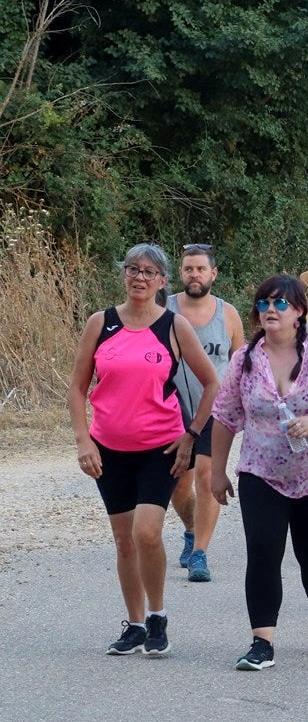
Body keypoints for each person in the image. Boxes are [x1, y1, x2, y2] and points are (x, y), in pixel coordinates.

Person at [69, 243, 219, 657]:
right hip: (109, 449)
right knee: (123, 541)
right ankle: (135, 624)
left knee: (147, 533)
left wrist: (191, 434)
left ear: (163, 282)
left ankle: (157, 616)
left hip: (160, 446)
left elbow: (211, 383)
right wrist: (84, 440)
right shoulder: (101, 323)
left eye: (149, 272)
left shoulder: (173, 326)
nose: (139, 277)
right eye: (133, 269)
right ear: (123, 274)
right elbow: (78, 387)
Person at [210, 275, 308, 671]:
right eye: (263, 304)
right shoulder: (244, 359)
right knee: (262, 551)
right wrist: (217, 471)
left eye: (279, 304)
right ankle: (262, 642)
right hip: (261, 472)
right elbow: (225, 417)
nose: (270, 310)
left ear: (299, 311)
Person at [167, 244, 245, 583]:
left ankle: (200, 553)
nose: (194, 275)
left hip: (216, 410)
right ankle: (190, 530)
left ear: (213, 274)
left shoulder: (227, 314)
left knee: (207, 476)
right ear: (180, 273)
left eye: (200, 269)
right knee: (178, 483)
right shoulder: (163, 308)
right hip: (171, 409)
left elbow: (241, 361)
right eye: (188, 269)